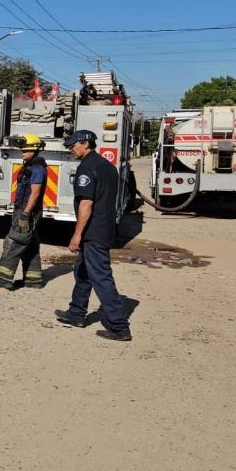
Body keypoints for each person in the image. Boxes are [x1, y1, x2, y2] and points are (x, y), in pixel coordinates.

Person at [54, 130, 132, 341]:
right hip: (105, 226)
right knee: (82, 271)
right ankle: (77, 313)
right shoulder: (107, 166)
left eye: (73, 145)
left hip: (93, 231)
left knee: (100, 276)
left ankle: (119, 326)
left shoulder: (87, 168)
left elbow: (86, 203)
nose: (70, 149)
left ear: (85, 144)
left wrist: (77, 234)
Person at [0, 134, 48, 289]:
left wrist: (25, 214)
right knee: (30, 244)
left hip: (28, 210)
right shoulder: (30, 166)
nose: (22, 152)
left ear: (35, 150)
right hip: (24, 208)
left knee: (14, 242)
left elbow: (35, 193)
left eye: (25, 149)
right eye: (21, 149)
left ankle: (2, 280)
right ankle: (33, 280)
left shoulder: (37, 169)